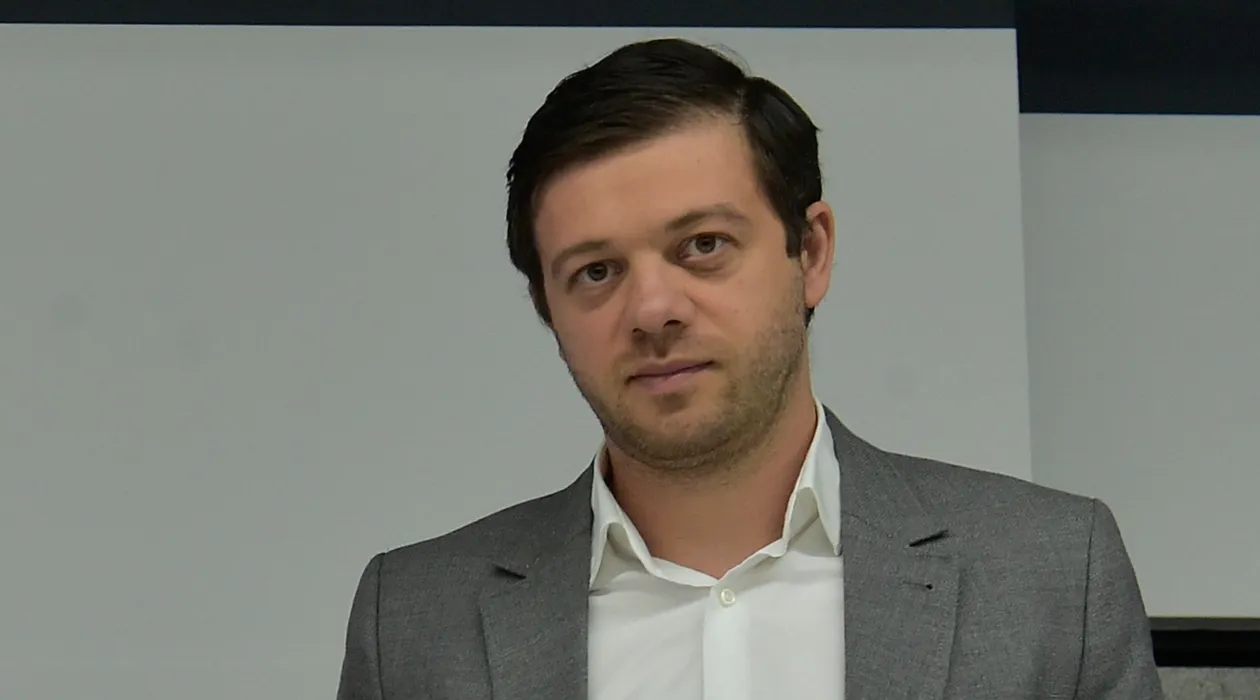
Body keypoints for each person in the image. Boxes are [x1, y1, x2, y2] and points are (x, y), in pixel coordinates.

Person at [336, 37, 1164, 700]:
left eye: (703, 245)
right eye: (595, 271)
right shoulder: (413, 621)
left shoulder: (1054, 575)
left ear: (812, 253)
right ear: (546, 308)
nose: (652, 309)